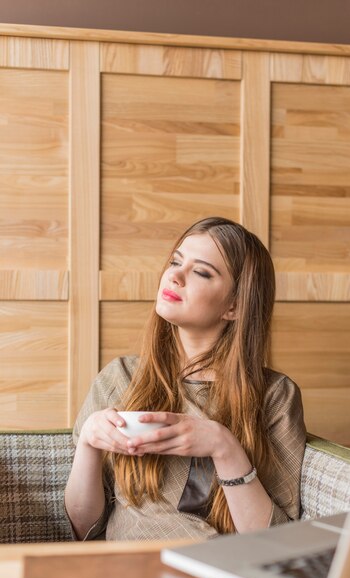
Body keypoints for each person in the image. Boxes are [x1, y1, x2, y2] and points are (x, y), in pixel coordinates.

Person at [64, 217, 306, 541]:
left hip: (222, 574)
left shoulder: (276, 396)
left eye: (201, 271)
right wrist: (89, 443)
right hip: (125, 574)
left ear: (234, 306)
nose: (175, 275)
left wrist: (224, 448)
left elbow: (279, 542)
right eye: (176, 261)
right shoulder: (120, 378)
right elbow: (83, 528)